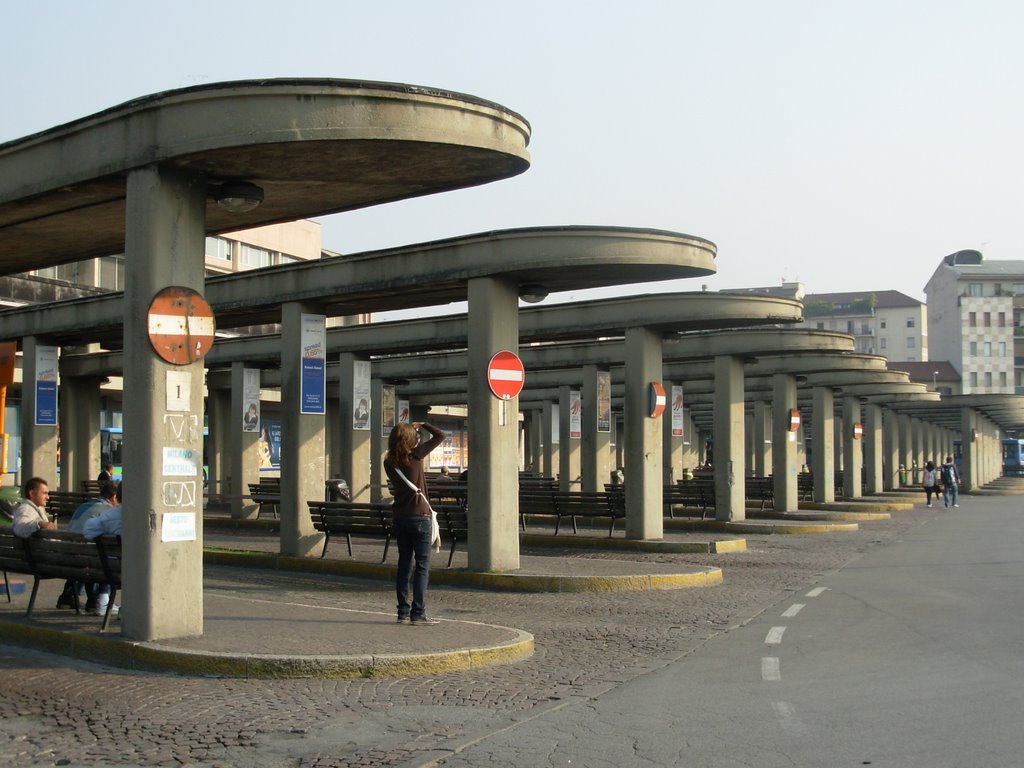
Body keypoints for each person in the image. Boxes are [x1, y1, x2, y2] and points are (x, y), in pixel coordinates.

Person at [383, 421, 447, 626]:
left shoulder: (389, 462)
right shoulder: (416, 456)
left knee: (404, 564)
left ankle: (402, 611)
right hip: (420, 517)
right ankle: (418, 613)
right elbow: (440, 435)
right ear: (411, 439)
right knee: (422, 566)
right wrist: (425, 424)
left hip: (400, 517)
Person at [57, 481, 117, 610]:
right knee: (100, 558)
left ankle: (68, 597)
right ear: (114, 497)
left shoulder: (86, 505)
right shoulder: (108, 509)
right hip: (83, 556)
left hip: (67, 552)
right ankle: (96, 600)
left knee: (89, 555)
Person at [83, 482, 123, 616]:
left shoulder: (110, 515)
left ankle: (104, 599)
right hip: (132, 569)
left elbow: (88, 530)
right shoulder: (138, 514)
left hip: (109, 567)